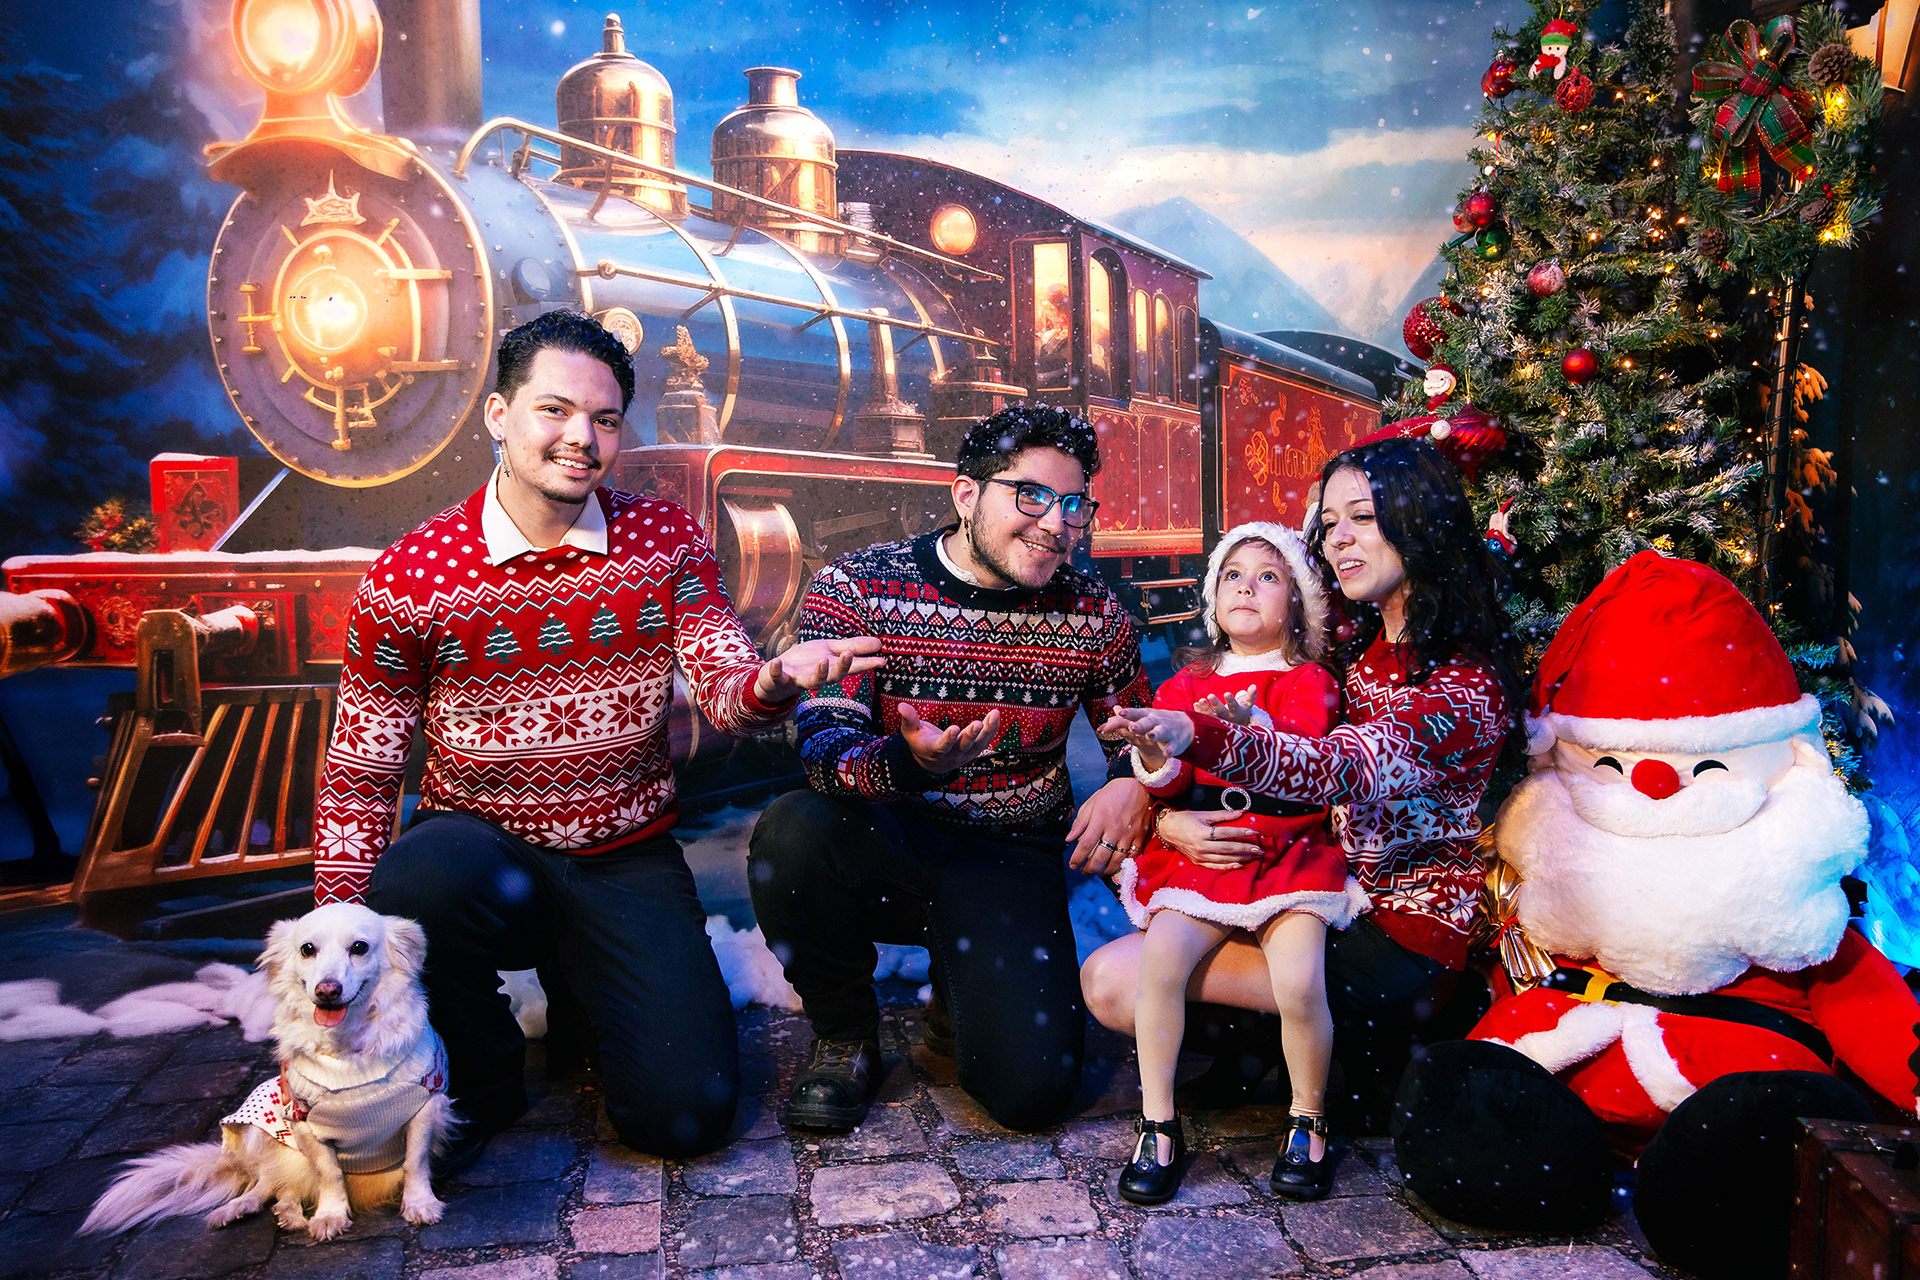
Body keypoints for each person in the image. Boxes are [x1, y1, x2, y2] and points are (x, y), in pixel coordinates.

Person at [311, 310, 882, 1168]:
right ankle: (483, 1076)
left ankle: (592, 987)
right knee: (418, 878)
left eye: (605, 419)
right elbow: (362, 769)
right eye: (555, 409)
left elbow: (724, 683)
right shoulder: (409, 576)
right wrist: (336, 942)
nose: (582, 437)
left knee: (684, 1118)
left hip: (623, 856)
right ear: (498, 414)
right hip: (482, 856)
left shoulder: (663, 540)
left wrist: (769, 681)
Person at [1086, 436, 1525, 1122]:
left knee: (1116, 980)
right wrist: (1162, 808)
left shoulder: (1463, 684)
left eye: (1364, 517)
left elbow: (1330, 767)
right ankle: (1268, 1053)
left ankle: (1316, 1057)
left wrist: (1194, 731)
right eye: (1330, 522)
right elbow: (1267, 614)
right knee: (1155, 951)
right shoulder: (1363, 642)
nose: (1338, 539)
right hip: (1314, 887)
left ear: (1419, 520)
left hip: (1397, 932)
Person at [747, 404, 1154, 1135]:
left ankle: (961, 992)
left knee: (1030, 1095)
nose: (1056, 523)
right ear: (966, 494)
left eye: (1073, 504)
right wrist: (909, 763)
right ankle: (845, 1035)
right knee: (792, 832)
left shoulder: (1094, 609)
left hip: (1009, 854)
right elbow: (824, 754)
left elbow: (1137, 731)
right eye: (1031, 495)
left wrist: (1131, 780)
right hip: (890, 842)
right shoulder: (859, 587)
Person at [1113, 522, 1365, 1205]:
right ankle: (1158, 1124)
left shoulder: (1309, 681)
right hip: (1208, 855)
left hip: (1286, 852)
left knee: (1299, 982)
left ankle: (1308, 1119)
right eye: (1233, 575)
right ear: (1213, 598)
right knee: (1160, 964)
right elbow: (1168, 784)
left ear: (1298, 604)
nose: (1247, 588)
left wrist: (1249, 729)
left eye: (1268, 577)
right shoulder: (1184, 683)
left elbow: (1305, 756)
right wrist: (1154, 756)